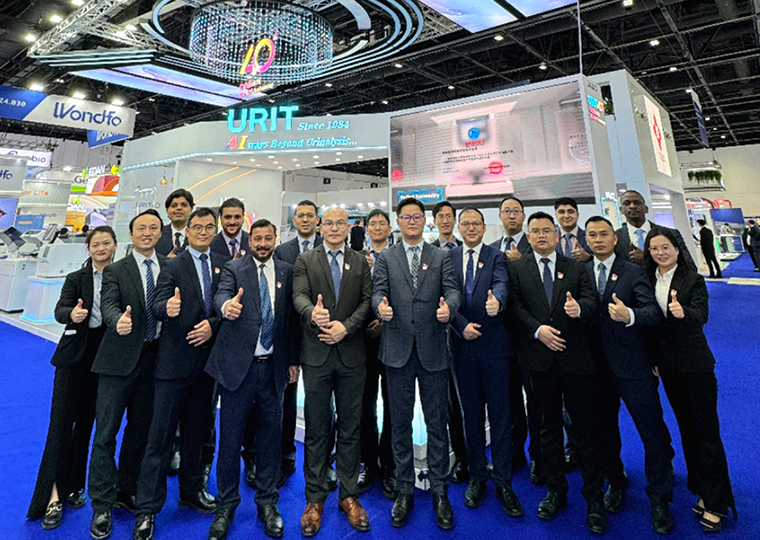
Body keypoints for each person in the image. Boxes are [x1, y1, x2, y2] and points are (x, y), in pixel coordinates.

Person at [508, 211, 606, 534]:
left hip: (576, 361)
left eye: (546, 230)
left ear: (555, 235)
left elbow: (592, 301)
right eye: (535, 231)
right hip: (539, 361)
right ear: (529, 236)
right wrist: (538, 331)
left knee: (586, 431)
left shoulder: (575, 267)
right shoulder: (517, 269)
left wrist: (580, 309)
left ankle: (594, 498)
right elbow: (515, 307)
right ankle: (556, 491)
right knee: (547, 429)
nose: (541, 236)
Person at [131, 208, 224, 540]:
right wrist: (166, 308)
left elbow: (225, 308)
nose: (203, 231)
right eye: (197, 227)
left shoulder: (222, 264)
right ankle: (147, 508)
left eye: (208, 227)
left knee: (196, 436)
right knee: (159, 440)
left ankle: (191, 491)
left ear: (214, 230)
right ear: (189, 231)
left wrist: (213, 325)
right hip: (173, 366)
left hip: (206, 368)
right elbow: (156, 306)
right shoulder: (172, 265)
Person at [204, 218, 299, 540]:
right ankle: (226, 506)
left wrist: (293, 360)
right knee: (230, 442)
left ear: (275, 239)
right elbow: (221, 296)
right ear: (250, 241)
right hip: (237, 370)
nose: (262, 244)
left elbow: (291, 322)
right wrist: (226, 307)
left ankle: (268, 503)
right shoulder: (234, 269)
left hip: (273, 369)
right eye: (257, 238)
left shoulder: (287, 271)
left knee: (271, 441)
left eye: (267, 238)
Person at [372, 197, 461, 531]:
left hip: (433, 349)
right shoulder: (386, 257)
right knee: (400, 425)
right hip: (397, 350)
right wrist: (380, 307)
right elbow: (377, 292)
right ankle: (405, 491)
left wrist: (449, 309)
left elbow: (453, 291)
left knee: (437, 424)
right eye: (406, 217)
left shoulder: (441, 256)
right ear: (398, 221)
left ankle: (440, 492)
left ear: (426, 221)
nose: (412, 221)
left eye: (417, 217)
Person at [584, 216, 675, 534]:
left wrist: (630, 315)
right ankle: (616, 481)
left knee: (652, 432)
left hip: (633, 365)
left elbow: (653, 312)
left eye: (604, 234)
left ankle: (660, 497)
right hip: (596, 370)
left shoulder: (634, 272)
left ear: (615, 239)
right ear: (586, 240)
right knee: (604, 432)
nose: (598, 239)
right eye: (592, 235)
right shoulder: (580, 272)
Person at [645, 227, 737, 533]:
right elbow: (651, 326)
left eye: (665, 247)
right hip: (668, 367)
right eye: (654, 248)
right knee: (687, 429)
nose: (660, 253)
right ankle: (701, 488)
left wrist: (684, 312)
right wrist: (654, 359)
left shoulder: (692, 279)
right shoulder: (648, 279)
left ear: (677, 248)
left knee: (706, 431)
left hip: (696, 364)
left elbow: (702, 315)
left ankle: (717, 501)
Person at [27, 227, 117, 530]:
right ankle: (51, 495)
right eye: (95, 244)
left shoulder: (119, 277)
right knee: (61, 426)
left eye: (106, 243)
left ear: (114, 246)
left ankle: (73, 486)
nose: (101, 248)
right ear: (88, 248)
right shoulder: (76, 278)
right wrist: (72, 315)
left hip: (103, 361)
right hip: (73, 360)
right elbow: (60, 310)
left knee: (86, 427)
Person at [293, 207, 373, 536]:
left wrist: (346, 327)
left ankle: (348, 494)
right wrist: (313, 314)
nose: (335, 228)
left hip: (352, 355)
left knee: (351, 428)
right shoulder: (305, 260)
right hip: (316, 356)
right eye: (329, 223)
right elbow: (299, 296)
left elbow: (367, 301)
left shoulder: (361, 261)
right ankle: (314, 499)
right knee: (316, 429)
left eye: (341, 223)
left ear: (348, 227)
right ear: (320, 227)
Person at [88, 210, 166, 540]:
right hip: (117, 362)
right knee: (105, 433)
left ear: (160, 233)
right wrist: (116, 319)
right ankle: (102, 503)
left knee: (140, 432)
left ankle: (127, 489)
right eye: (141, 228)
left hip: (154, 362)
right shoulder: (116, 270)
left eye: (153, 228)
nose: (147, 233)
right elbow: (108, 304)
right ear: (131, 235)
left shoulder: (169, 267)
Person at [448, 207, 523, 517]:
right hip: (463, 347)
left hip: (495, 348)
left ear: (483, 227)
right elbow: (445, 295)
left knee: (501, 417)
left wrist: (498, 301)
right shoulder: (449, 258)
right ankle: (478, 475)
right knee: (472, 417)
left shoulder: (497, 257)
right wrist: (460, 324)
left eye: (476, 224)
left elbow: (502, 284)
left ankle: (504, 481)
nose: (471, 228)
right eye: (465, 224)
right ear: (459, 227)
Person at [273, 200, 334, 489]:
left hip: (323, 336)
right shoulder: (282, 251)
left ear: (317, 220)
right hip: (289, 335)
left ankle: (324, 464)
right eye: (301, 215)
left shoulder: (330, 247)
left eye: (311, 215)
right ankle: (285, 457)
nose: (306, 219)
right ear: (294, 220)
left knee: (322, 405)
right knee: (286, 401)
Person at [491, 195, 539, 481]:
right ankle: (516, 451)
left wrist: (523, 264)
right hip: (501, 336)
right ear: (500, 216)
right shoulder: (493, 248)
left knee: (536, 398)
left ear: (523, 216)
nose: (511, 215)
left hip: (530, 334)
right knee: (509, 400)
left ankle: (539, 455)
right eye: (506, 211)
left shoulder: (534, 246)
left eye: (516, 211)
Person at [356, 209, 396, 498]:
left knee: (393, 407)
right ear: (366, 229)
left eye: (383, 223)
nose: (378, 227)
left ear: (390, 228)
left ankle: (390, 465)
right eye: (373, 224)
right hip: (361, 345)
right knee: (364, 407)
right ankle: (369, 463)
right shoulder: (356, 259)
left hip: (393, 341)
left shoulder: (398, 258)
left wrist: (385, 323)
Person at [429, 200, 468, 483]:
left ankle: (471, 456)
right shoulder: (429, 252)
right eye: (440, 216)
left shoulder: (466, 250)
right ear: (434, 221)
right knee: (446, 404)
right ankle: (456, 457)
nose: (445, 220)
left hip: (465, 335)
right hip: (436, 336)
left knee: (466, 402)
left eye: (449, 216)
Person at [614, 190, 696, 270]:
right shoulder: (615, 238)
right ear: (621, 210)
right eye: (627, 203)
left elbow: (690, 266)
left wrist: (647, 258)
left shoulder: (671, 234)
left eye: (637, 203)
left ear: (646, 209)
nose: (632, 206)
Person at [156, 189, 194, 257]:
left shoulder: (197, 235)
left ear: (191, 209)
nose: (179, 208)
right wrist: (166, 260)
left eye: (184, 205)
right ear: (167, 210)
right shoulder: (157, 234)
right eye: (174, 205)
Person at [210, 198, 250, 263]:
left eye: (237, 217)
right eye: (228, 217)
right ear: (220, 218)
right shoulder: (210, 245)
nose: (232, 222)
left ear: (243, 218)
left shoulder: (253, 243)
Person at [554, 197, 592, 263]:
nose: (566, 216)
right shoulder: (550, 239)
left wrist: (589, 258)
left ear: (577, 215)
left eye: (571, 212)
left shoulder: (590, 236)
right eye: (562, 212)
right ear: (556, 216)